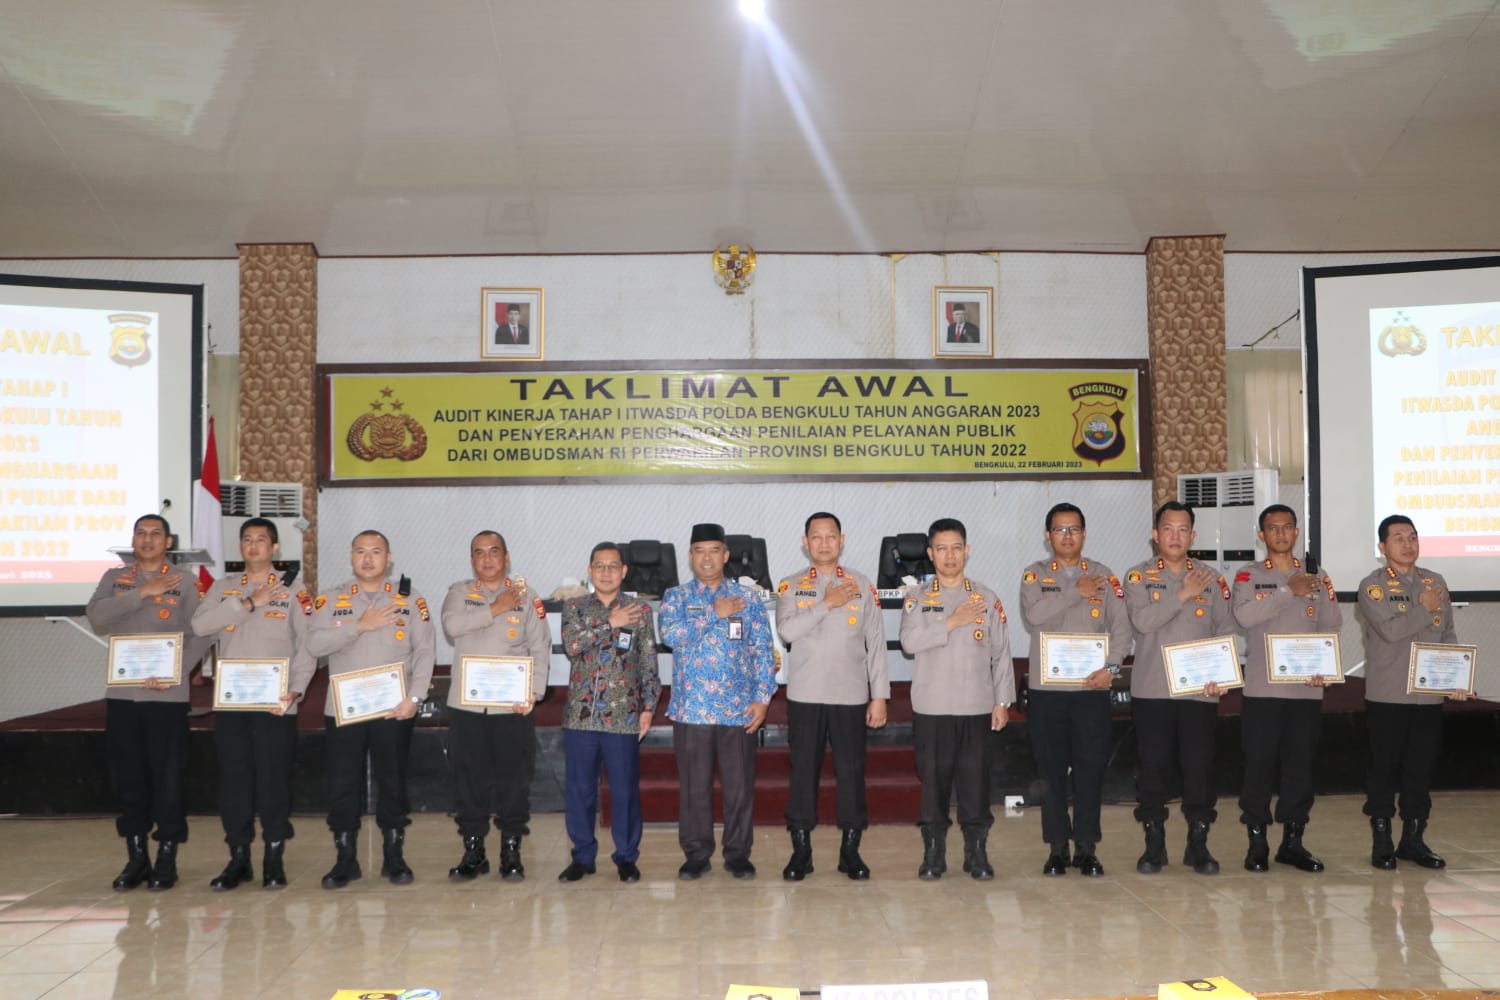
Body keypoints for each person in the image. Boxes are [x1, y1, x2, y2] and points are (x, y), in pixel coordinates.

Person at [86, 514, 211, 891]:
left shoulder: (185, 582)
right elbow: (96, 616)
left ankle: (167, 857)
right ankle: (137, 857)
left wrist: (176, 672)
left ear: (168, 542)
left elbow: (202, 634)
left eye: (156, 534)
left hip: (167, 698)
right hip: (124, 696)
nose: (147, 539)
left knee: (167, 778)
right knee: (129, 778)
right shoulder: (115, 578)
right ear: (133, 540)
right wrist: (142, 592)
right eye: (141, 533)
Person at [190, 517, 317, 890]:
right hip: (232, 704)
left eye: (261, 539)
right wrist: (247, 603)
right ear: (240, 546)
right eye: (247, 539)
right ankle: (238, 857)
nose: (253, 545)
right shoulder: (223, 588)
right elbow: (200, 626)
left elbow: (308, 646)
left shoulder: (295, 591)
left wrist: (296, 690)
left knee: (274, 779)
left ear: (275, 548)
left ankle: (274, 855)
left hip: (276, 702)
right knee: (235, 780)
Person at [306, 530, 436, 888]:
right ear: (351, 557)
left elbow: (425, 652)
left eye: (376, 552)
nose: (367, 558)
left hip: (394, 708)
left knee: (392, 782)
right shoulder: (329, 599)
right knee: (342, 783)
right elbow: (314, 644)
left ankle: (394, 856)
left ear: (388, 558)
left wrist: (415, 698)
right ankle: (344, 859)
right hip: (344, 709)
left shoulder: (410, 599)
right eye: (360, 551)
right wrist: (359, 626)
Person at [658, 522, 777, 880]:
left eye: (714, 551)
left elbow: (762, 651)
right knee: (694, 788)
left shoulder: (749, 598)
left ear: (725, 555)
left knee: (739, 787)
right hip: (692, 709)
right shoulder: (676, 597)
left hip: (738, 709)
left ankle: (738, 854)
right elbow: (671, 635)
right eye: (699, 551)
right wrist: (714, 613)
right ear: (690, 556)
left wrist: (763, 699)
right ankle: (696, 854)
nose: (707, 558)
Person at [774, 512, 890, 881]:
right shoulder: (790, 585)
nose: (824, 543)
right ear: (805, 543)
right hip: (806, 695)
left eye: (831, 536)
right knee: (803, 772)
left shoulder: (862, 584)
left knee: (851, 773)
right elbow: (787, 631)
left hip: (850, 694)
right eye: (816, 536)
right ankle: (801, 852)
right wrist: (827, 603)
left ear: (842, 540)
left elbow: (876, 643)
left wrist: (879, 695)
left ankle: (850, 851)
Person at [1019, 502, 1132, 877]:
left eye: (1074, 529)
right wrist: (1075, 592)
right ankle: (1057, 848)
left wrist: (1111, 670)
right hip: (1047, 692)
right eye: (1059, 529)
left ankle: (1086, 847)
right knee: (1049, 772)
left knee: (1089, 770)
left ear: (1084, 534)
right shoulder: (1034, 575)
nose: (1067, 536)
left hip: (1091, 689)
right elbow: (1033, 616)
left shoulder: (1104, 576)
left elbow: (1123, 631)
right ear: (1047, 536)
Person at [898, 518, 1014, 881]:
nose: (950, 556)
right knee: (933, 785)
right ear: (930, 554)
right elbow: (909, 643)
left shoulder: (986, 598)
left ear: (967, 551)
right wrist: (951, 621)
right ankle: (933, 855)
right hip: (933, 708)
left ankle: (976, 853)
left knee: (975, 785)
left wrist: (1002, 701)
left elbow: (1001, 653)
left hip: (976, 707)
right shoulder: (917, 598)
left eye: (956, 548)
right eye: (942, 549)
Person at [1123, 502, 1234, 876]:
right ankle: (1154, 845)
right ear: (1155, 535)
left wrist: (1223, 673)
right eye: (1168, 529)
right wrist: (1182, 594)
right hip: (1152, 691)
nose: (1175, 536)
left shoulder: (1211, 578)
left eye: (1183, 529)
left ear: (1193, 536)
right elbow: (1142, 621)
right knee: (1152, 768)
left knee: (1199, 768)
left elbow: (1225, 629)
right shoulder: (1138, 577)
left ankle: (1198, 844)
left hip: (1199, 692)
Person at [1231, 504, 1342, 873]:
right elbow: (1244, 616)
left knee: (1300, 768)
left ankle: (1293, 843)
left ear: (1296, 533)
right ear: (1261, 535)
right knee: (1258, 766)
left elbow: (1331, 624)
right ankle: (1257, 842)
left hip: (1306, 691)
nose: (1280, 533)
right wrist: (1287, 591)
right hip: (1262, 692)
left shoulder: (1317, 575)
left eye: (1287, 527)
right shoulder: (1248, 575)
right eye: (1273, 528)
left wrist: (1324, 668)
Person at [1357, 515, 1469, 870]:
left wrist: (1456, 675)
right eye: (1399, 538)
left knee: (1420, 769)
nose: (1408, 544)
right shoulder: (1373, 586)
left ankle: (1413, 840)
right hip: (1390, 694)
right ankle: (1382, 841)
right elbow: (1391, 631)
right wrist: (1425, 608)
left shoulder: (1435, 581)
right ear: (1382, 547)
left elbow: (1447, 633)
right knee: (1384, 768)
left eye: (1413, 537)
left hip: (1428, 695)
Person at [440, 531, 551, 882]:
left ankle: (510, 850)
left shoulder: (528, 596)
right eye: (479, 553)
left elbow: (540, 647)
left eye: (493, 552)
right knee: (468, 780)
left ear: (506, 557)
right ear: (472, 559)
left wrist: (534, 692)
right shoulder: (459, 593)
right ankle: (473, 852)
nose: (487, 559)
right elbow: (452, 626)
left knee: (513, 780)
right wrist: (496, 608)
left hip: (511, 707)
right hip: (467, 707)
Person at [558, 541, 661, 882]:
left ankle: (626, 856)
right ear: (590, 570)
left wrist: (648, 707)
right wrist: (610, 623)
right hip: (581, 715)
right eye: (599, 566)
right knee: (580, 790)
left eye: (613, 566)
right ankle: (582, 856)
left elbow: (648, 661)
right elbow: (573, 646)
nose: (606, 572)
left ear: (624, 571)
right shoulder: (574, 607)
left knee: (624, 790)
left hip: (624, 714)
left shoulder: (639, 610)